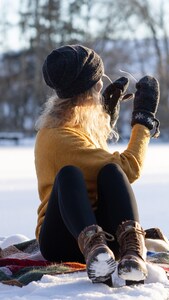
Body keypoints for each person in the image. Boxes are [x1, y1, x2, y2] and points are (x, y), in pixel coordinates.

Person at [34, 44, 160, 285]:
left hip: (104, 239)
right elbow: (130, 168)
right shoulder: (57, 137)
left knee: (111, 171)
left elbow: (100, 166)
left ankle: (132, 252)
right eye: (97, 81)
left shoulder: (72, 126)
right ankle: (96, 251)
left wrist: (106, 116)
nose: (102, 84)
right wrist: (142, 121)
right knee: (69, 175)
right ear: (85, 91)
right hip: (62, 241)